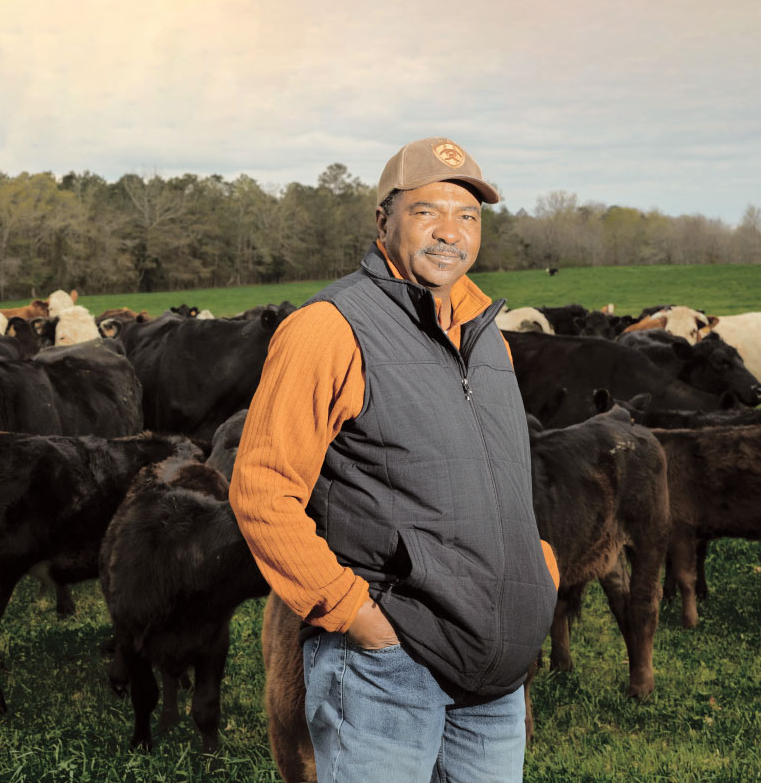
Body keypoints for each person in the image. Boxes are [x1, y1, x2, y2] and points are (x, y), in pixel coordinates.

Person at [230, 137, 560, 783]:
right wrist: (355, 615)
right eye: (426, 211)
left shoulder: (490, 337)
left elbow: (504, 484)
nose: (450, 233)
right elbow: (262, 490)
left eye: (468, 215)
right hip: (390, 664)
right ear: (384, 221)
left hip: (495, 673)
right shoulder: (329, 327)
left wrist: (535, 573)